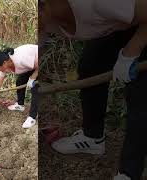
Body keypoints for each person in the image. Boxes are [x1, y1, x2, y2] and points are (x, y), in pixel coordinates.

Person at [39, 0, 147, 179]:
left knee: (141, 96)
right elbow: (35, 53)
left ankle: (129, 173)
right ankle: (92, 138)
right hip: (121, 22)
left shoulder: (96, 2)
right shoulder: (41, 18)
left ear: (43, 5)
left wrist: (131, 51)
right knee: (91, 64)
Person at [0, 44, 39, 128]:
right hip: (32, 64)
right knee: (20, 80)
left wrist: (33, 77)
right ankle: (20, 105)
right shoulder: (5, 65)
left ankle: (32, 117)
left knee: (36, 89)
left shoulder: (21, 59)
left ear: (4, 63)